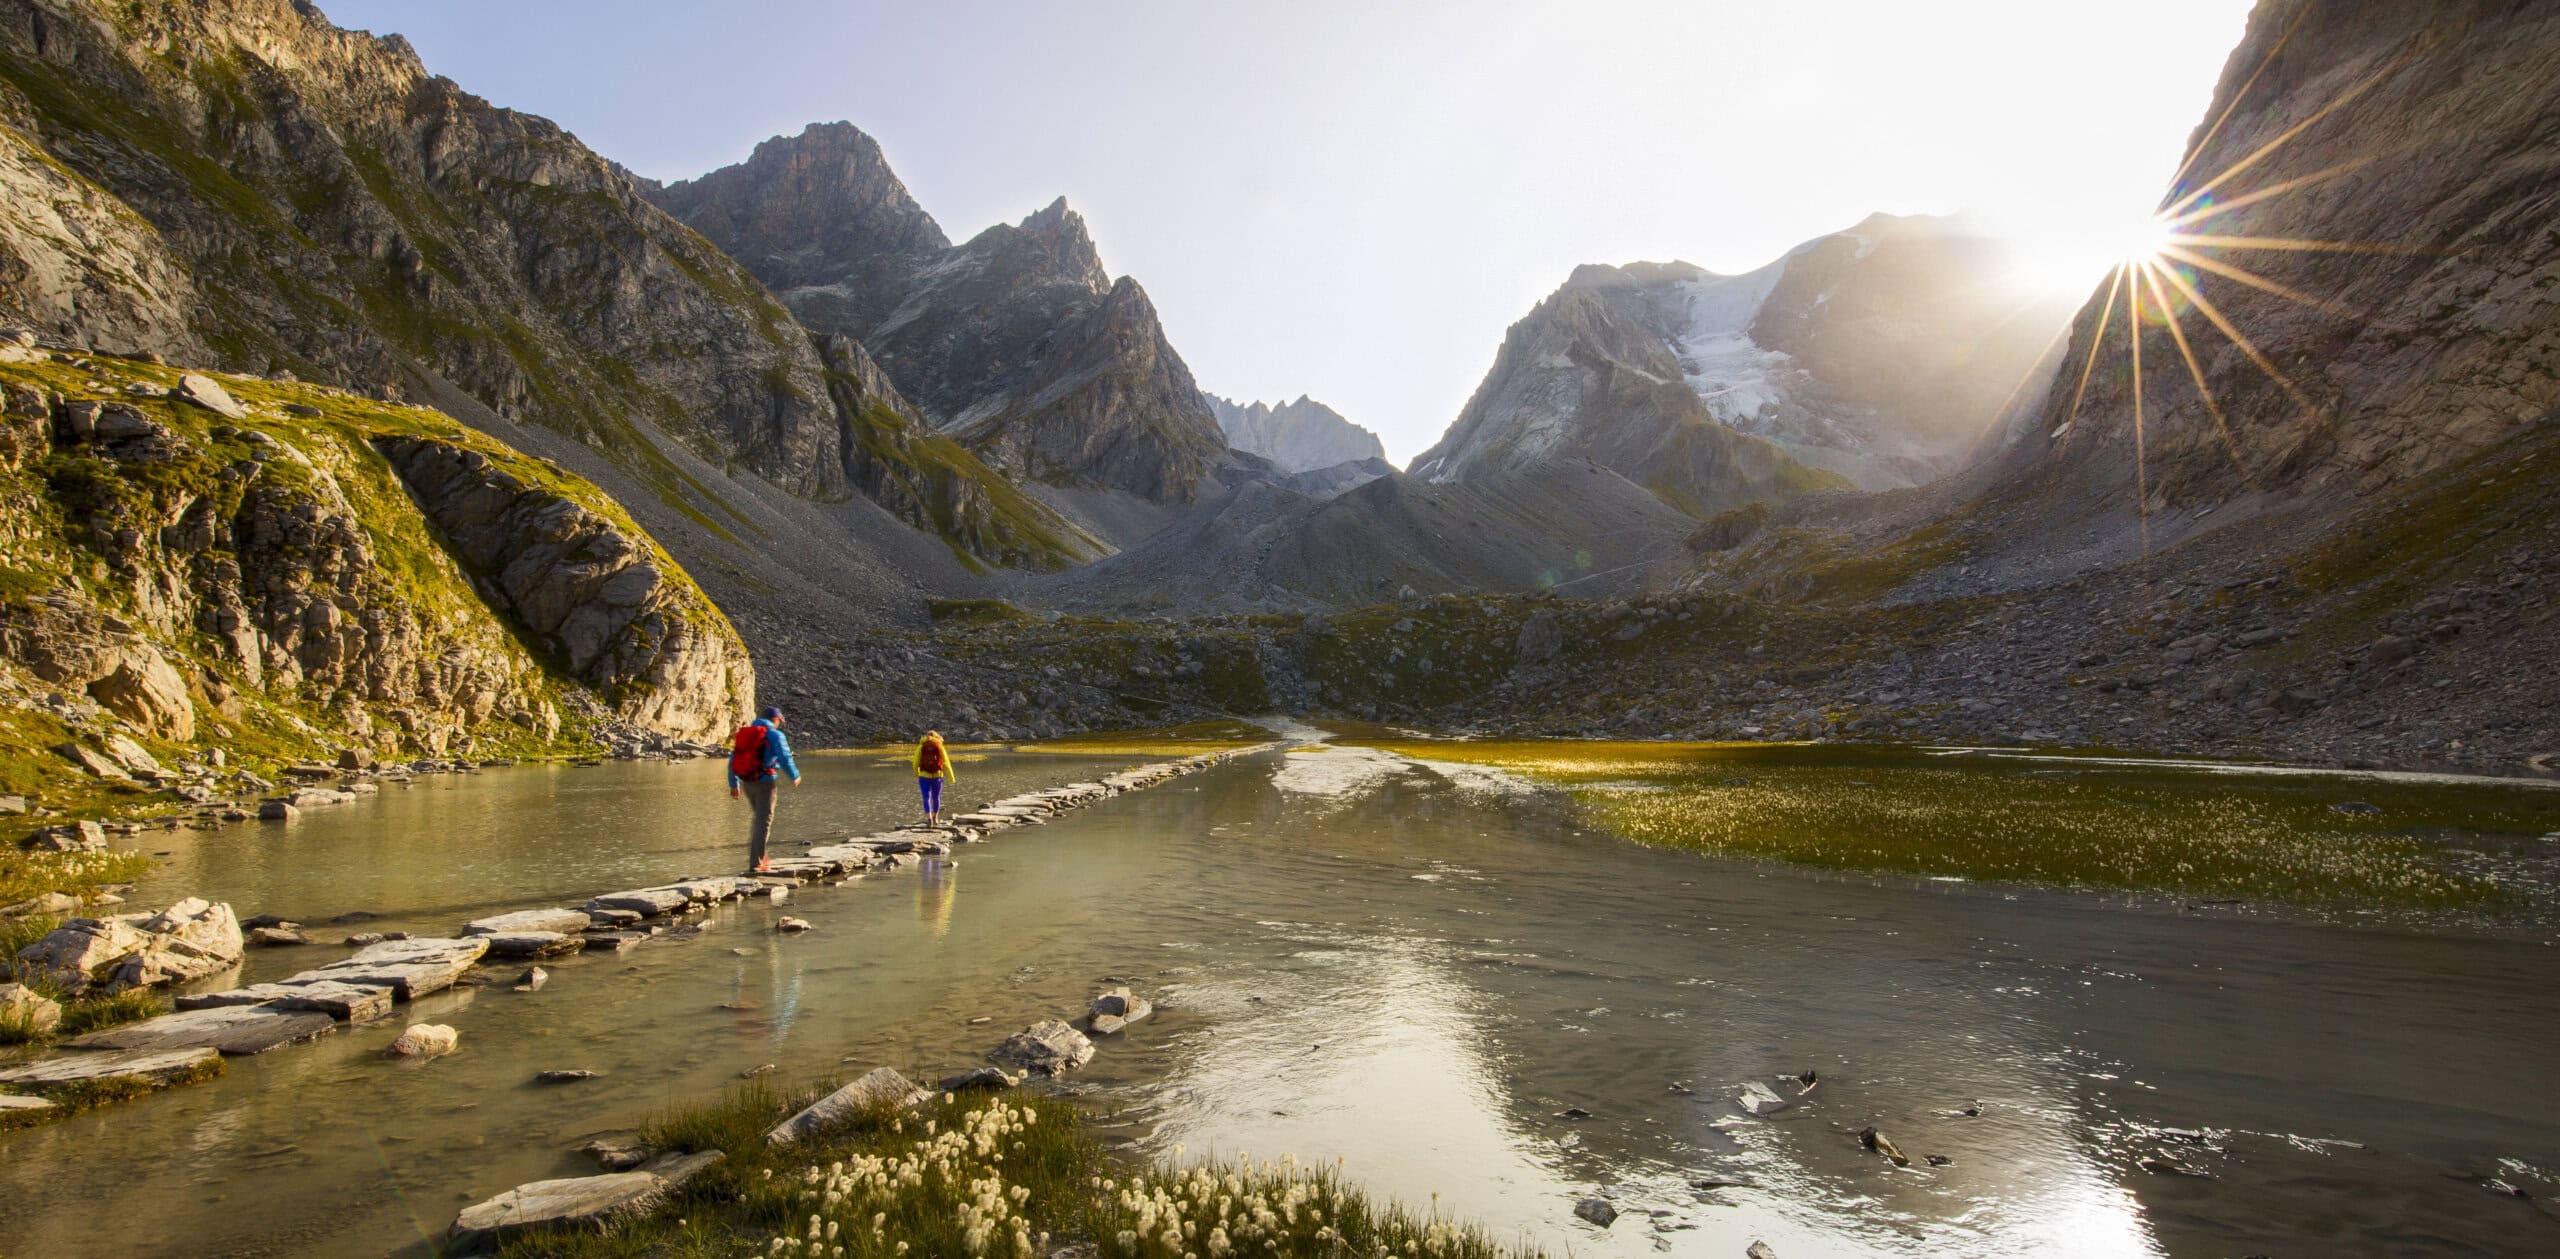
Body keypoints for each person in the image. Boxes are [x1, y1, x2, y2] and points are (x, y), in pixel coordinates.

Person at [727, 705, 800, 873]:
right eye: (779, 721)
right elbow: (784, 757)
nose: (779, 724)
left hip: (747, 783)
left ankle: (761, 857)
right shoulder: (774, 734)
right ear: (775, 720)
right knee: (763, 822)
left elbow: (733, 760)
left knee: (758, 820)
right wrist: (794, 775)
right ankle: (757, 863)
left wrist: (733, 784)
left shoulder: (746, 734)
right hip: (765, 783)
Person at [913, 729, 955, 824]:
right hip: (937, 776)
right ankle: (935, 817)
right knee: (936, 798)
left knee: (926, 797)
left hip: (924, 776)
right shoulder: (939, 746)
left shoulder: (921, 746)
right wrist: (951, 777)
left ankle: (929, 818)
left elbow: (915, 762)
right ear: (937, 737)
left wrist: (917, 773)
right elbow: (946, 762)